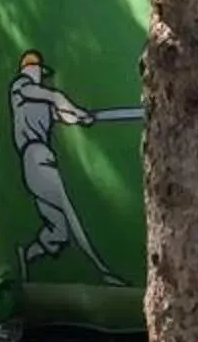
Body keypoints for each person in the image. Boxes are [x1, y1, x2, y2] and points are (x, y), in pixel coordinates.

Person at [10, 49, 137, 280]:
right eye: (38, 71)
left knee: (57, 232)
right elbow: (56, 97)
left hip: (41, 159)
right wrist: (75, 110)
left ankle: (27, 255)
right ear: (32, 69)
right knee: (69, 211)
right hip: (35, 156)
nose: (40, 75)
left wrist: (81, 117)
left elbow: (63, 114)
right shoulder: (20, 87)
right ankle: (103, 272)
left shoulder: (40, 100)